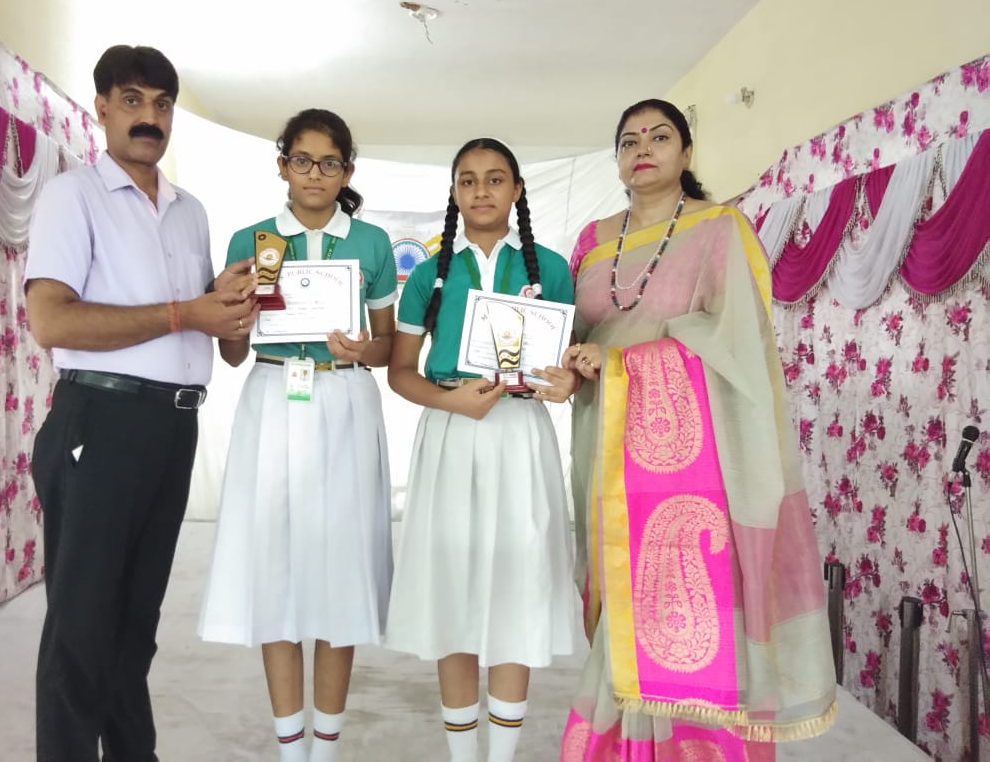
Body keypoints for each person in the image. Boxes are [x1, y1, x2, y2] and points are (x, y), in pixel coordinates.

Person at [558, 99, 837, 761]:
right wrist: (564, 365)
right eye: (629, 141)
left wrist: (623, 363)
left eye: (660, 137)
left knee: (691, 613)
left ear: (686, 153)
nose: (643, 149)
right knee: (621, 609)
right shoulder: (592, 240)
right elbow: (576, 333)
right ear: (617, 159)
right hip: (605, 445)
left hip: (693, 464)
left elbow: (738, 344)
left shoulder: (719, 229)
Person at [23, 44, 258, 762]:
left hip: (174, 426)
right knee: (81, 628)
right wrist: (188, 312)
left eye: (161, 104)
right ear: (101, 108)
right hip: (99, 421)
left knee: (135, 625)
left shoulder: (190, 212)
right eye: (131, 101)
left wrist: (234, 308)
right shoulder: (73, 196)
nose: (148, 117)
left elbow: (223, 342)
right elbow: (52, 322)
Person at [197, 109, 397, 762]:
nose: (316, 173)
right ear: (282, 165)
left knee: (341, 573)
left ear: (348, 171)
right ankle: (291, 749)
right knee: (275, 571)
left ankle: (326, 749)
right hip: (272, 396)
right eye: (303, 160)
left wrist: (361, 349)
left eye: (330, 162)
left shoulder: (371, 243)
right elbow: (232, 354)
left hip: (345, 399)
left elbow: (387, 346)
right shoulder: (251, 240)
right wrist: (232, 312)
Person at [385, 138, 578, 762]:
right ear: (454, 193)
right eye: (467, 180)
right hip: (452, 432)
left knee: (517, 587)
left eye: (495, 179)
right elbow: (401, 373)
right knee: (455, 590)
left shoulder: (550, 269)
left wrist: (566, 383)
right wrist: (452, 402)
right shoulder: (429, 276)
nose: (481, 190)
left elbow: (569, 363)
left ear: (517, 190)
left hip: (521, 436)